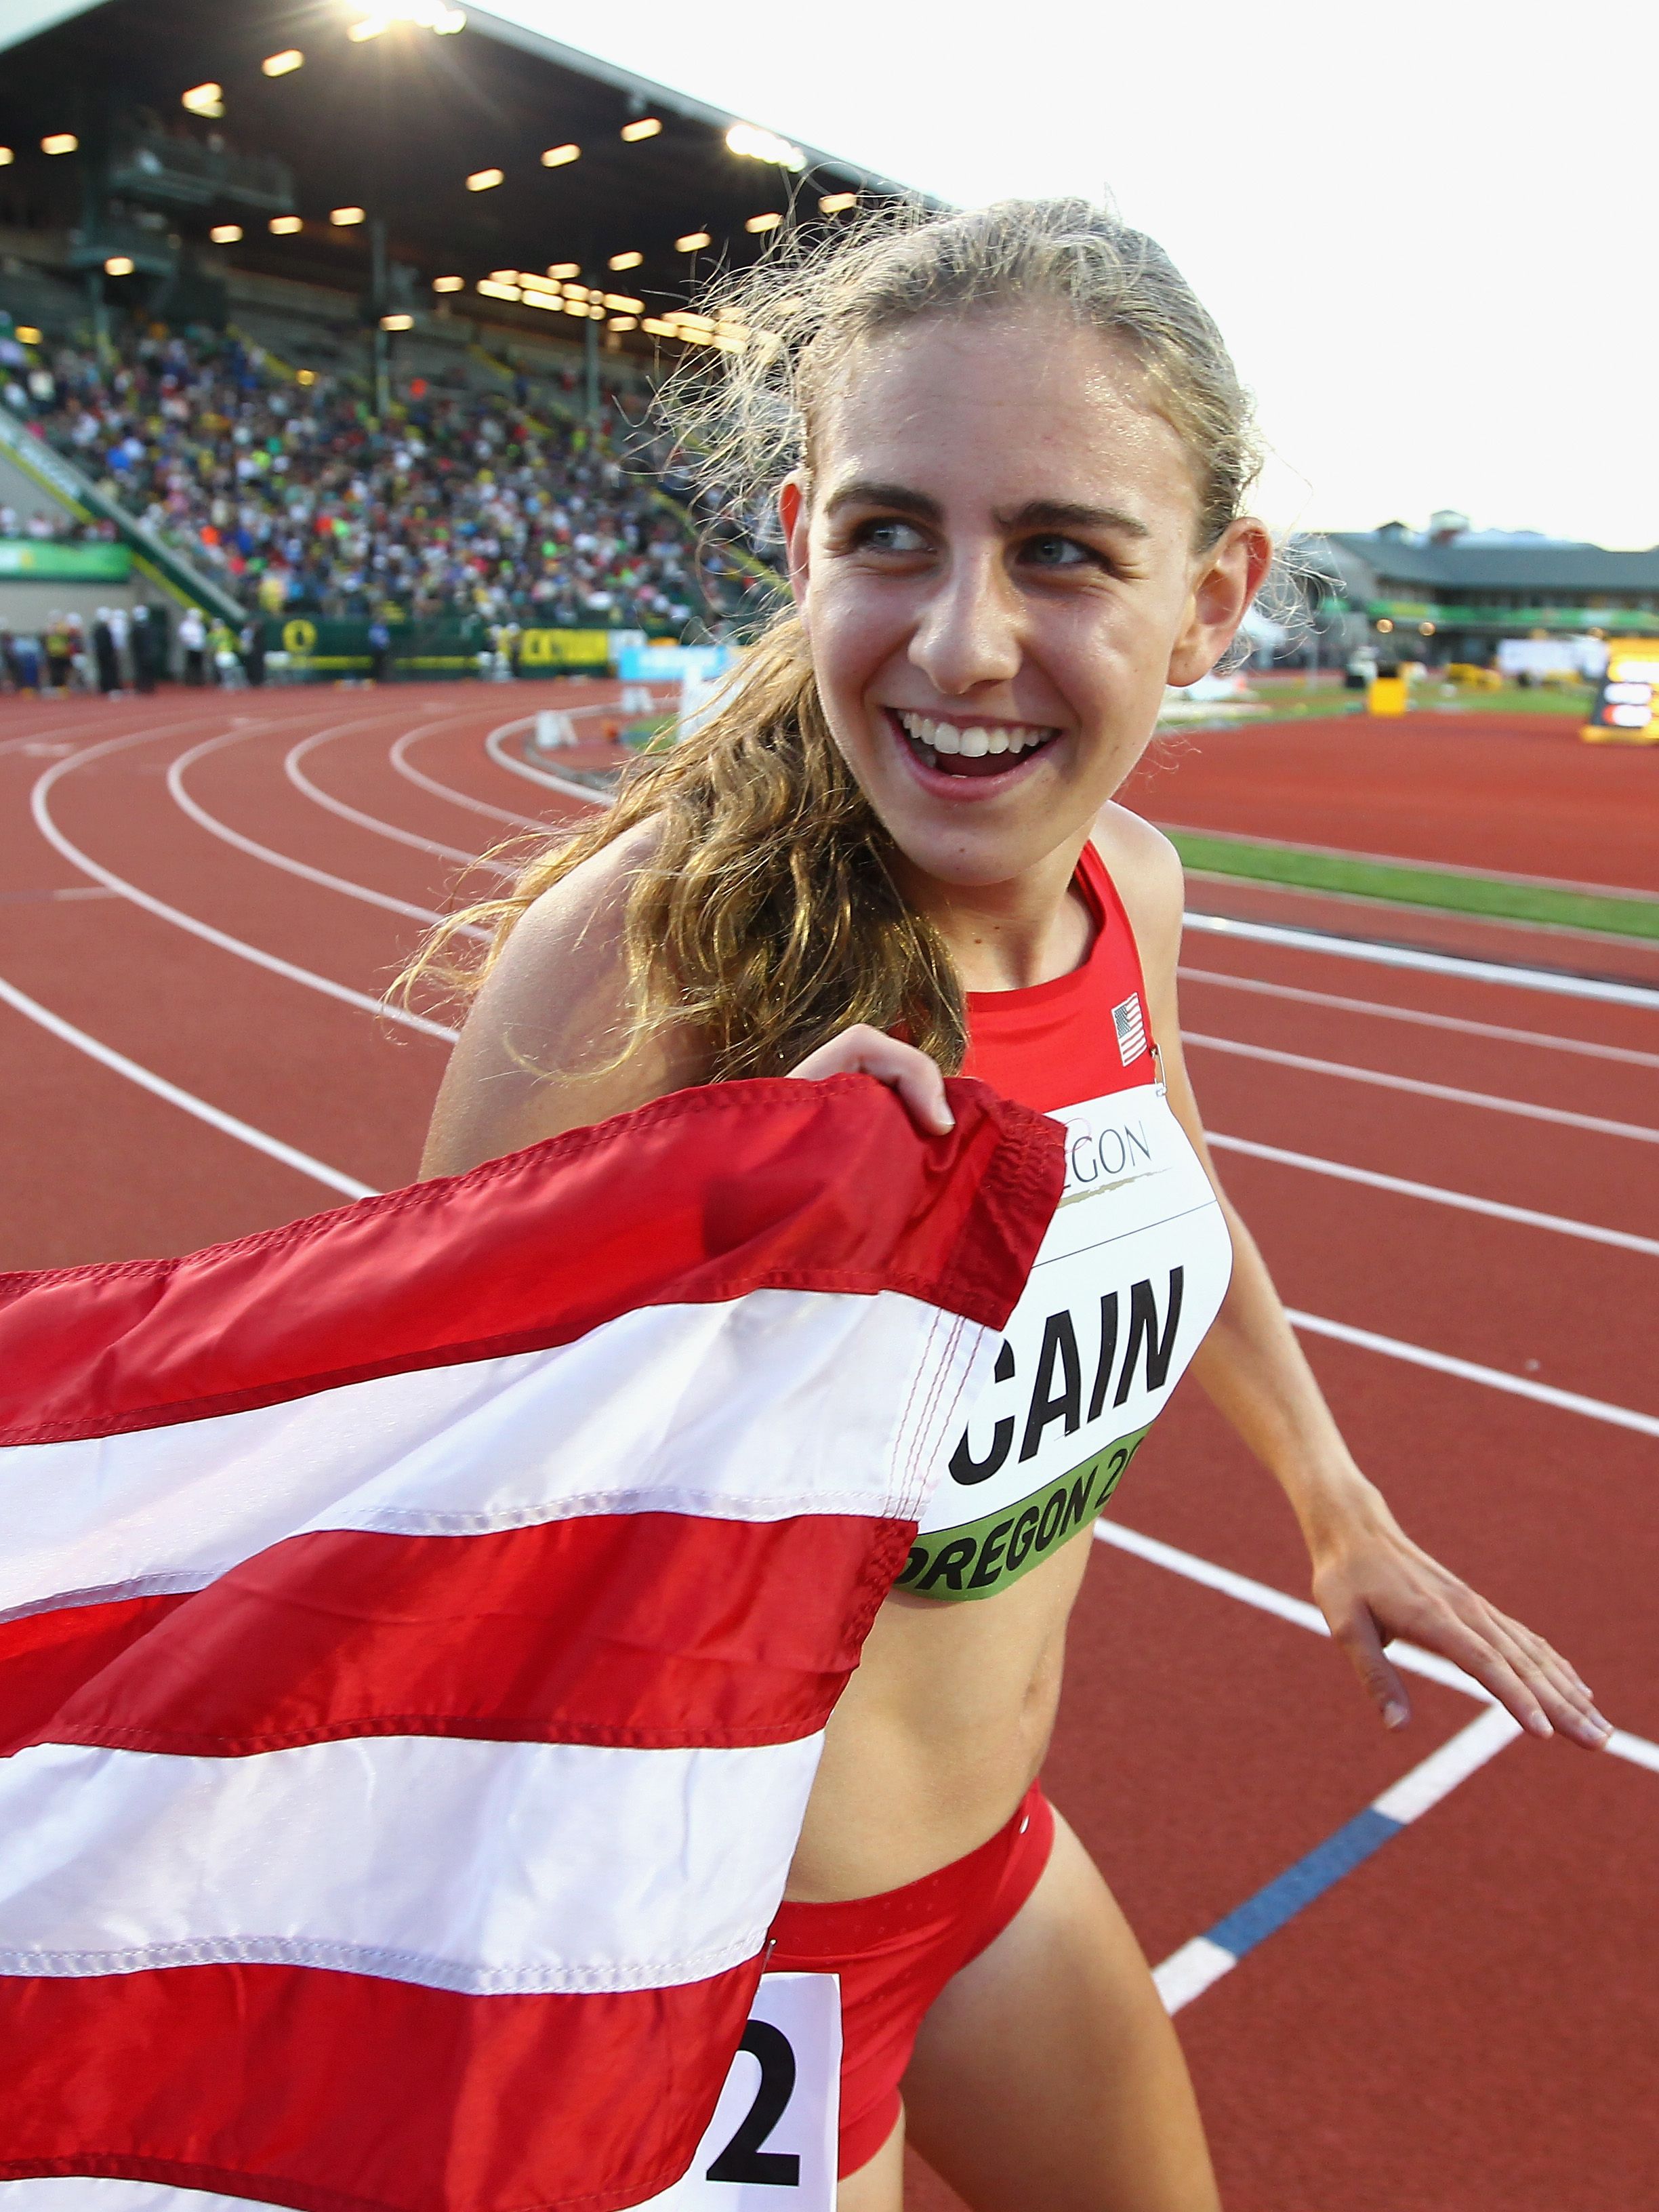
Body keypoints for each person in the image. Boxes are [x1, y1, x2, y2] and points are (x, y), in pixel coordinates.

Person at [413, 201, 1609, 2210]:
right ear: (803, 539)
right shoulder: (647, 952)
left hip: (990, 1872)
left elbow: (1179, 1171)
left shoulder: (1130, 895)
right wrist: (705, 1223)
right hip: (705, 1962)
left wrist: (1336, 1497)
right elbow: (399, 1500)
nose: (963, 637)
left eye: (1060, 546)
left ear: (1216, 596)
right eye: (891, 531)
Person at [178, 604, 207, 686]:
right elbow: (184, 636)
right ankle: (189, 681)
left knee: (199, 665)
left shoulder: (200, 625)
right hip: (190, 648)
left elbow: (202, 636)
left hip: (199, 648)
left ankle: (199, 681)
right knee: (190, 665)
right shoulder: (186, 625)